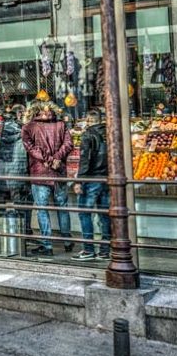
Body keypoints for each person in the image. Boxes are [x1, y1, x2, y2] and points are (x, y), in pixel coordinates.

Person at [21, 100, 73, 256]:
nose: (47, 113)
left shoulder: (28, 127)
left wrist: (49, 160)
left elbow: (31, 149)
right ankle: (67, 240)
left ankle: (47, 244)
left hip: (40, 173)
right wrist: (56, 159)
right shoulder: (61, 125)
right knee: (62, 207)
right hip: (58, 172)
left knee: (42, 209)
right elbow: (69, 144)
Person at [73, 110, 110, 260]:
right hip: (107, 178)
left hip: (91, 178)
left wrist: (79, 181)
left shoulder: (88, 135)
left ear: (88, 120)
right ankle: (105, 250)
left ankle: (88, 249)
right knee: (105, 216)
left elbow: (85, 160)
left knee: (84, 213)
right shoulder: (110, 133)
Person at [0, 105, 31, 238]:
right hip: (19, 173)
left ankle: (1, 231)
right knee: (22, 204)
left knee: (1, 203)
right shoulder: (23, 133)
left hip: (1, 173)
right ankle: (24, 230)